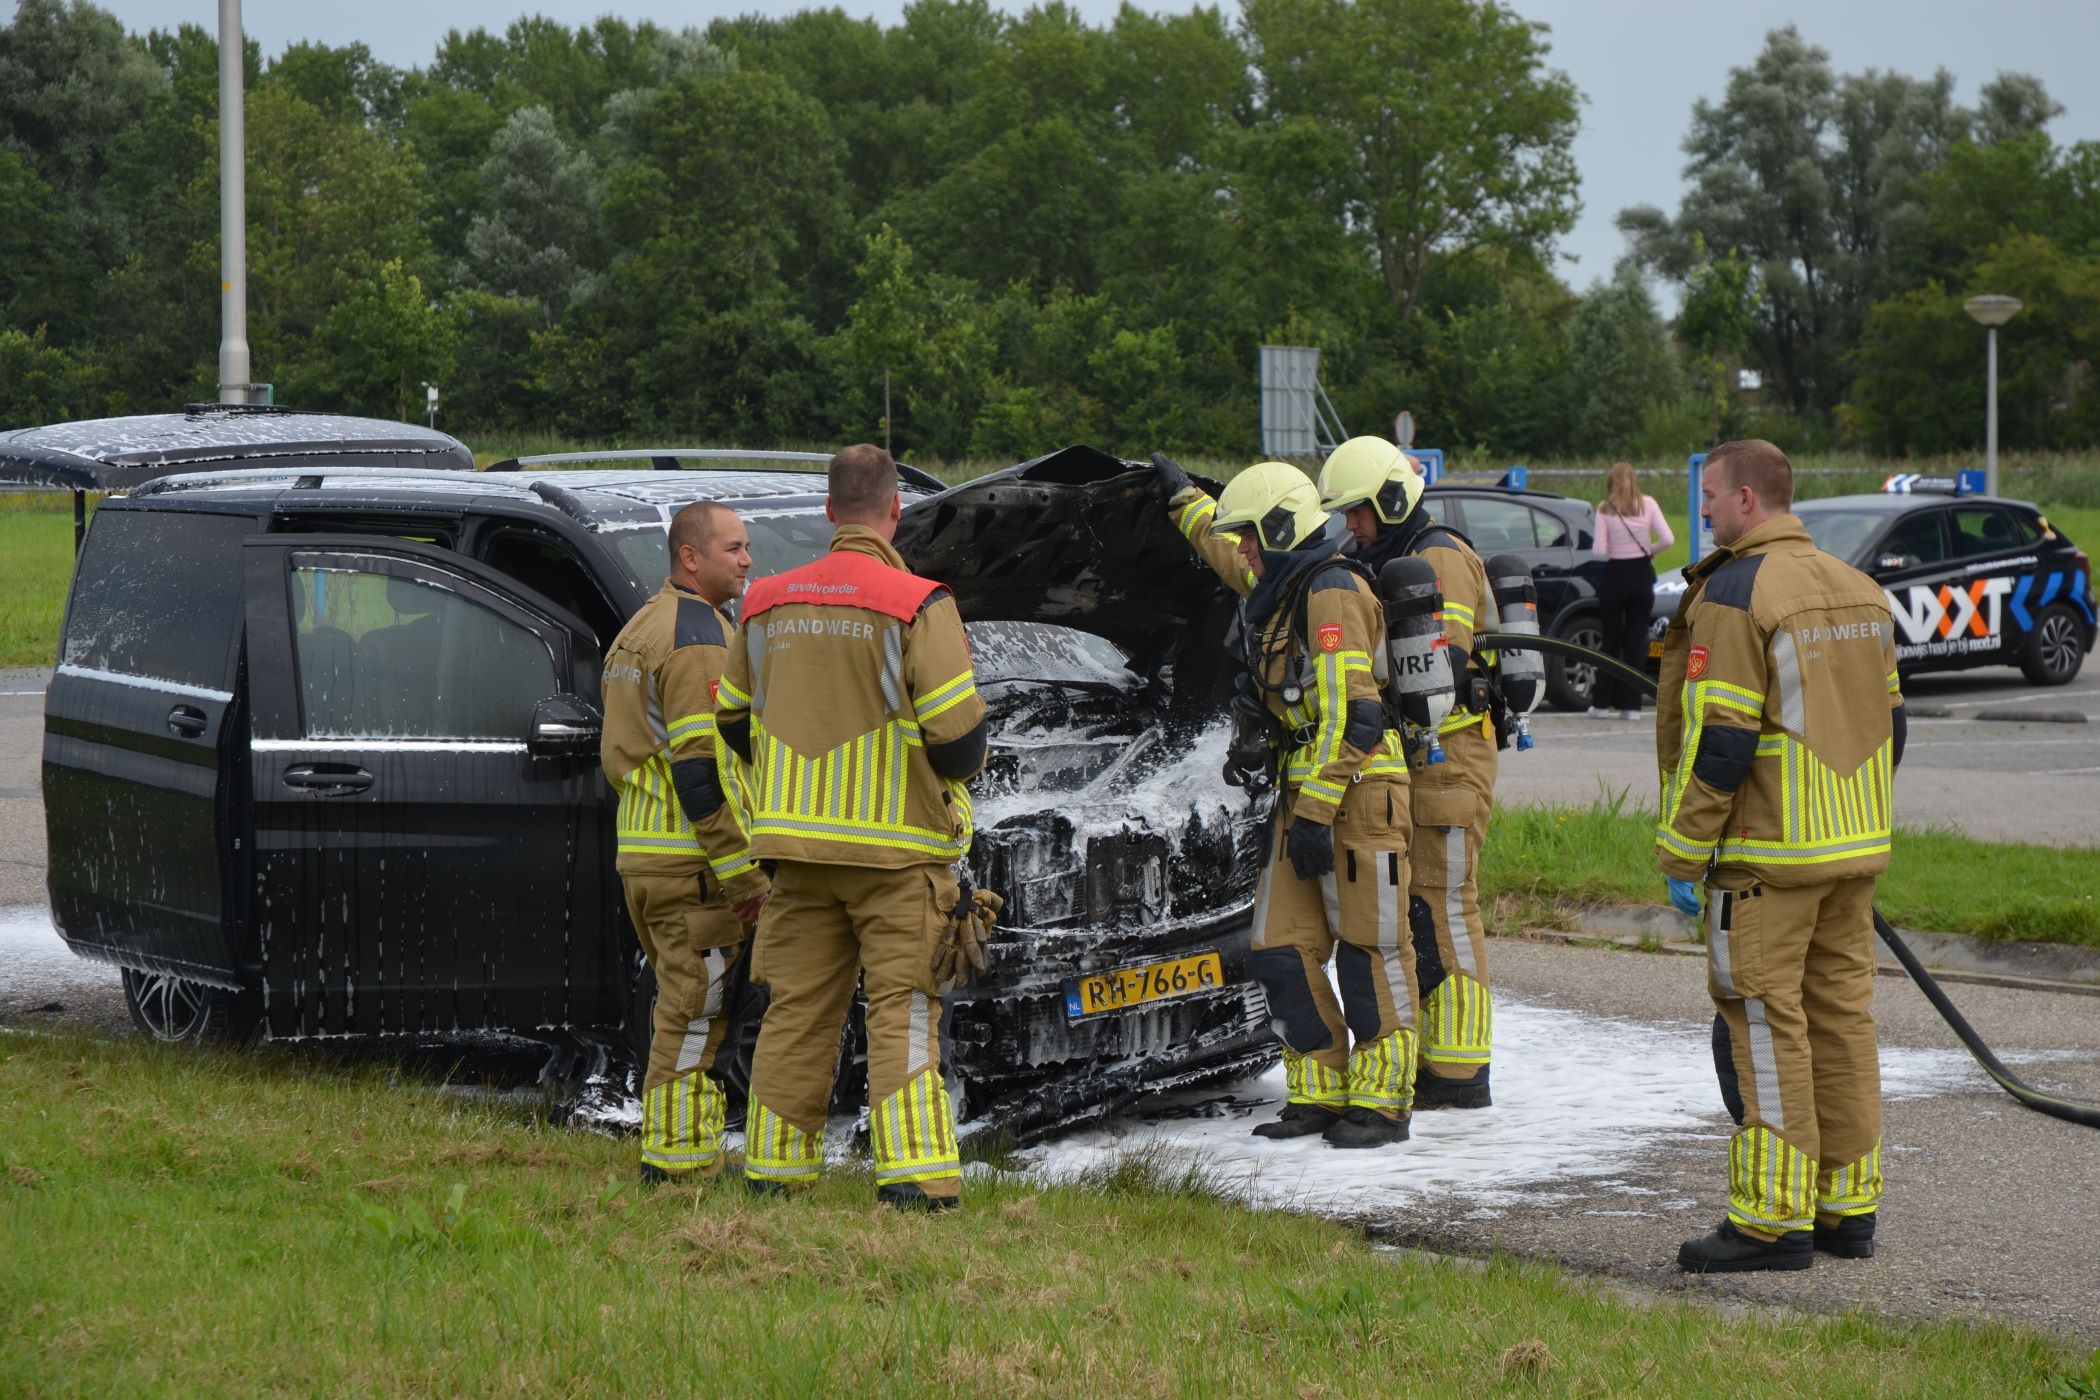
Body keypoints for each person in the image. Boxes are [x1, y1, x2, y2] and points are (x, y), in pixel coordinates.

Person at [718, 444, 991, 1210]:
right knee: (902, 1011)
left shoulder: (764, 601)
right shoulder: (918, 602)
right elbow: (959, 742)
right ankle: (912, 1181)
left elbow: (733, 723)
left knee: (796, 1013)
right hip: (898, 856)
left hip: (794, 855)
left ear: (830, 511)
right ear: (894, 509)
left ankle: (773, 1176)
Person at [1657, 439, 1906, 1273]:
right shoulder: (1859, 587)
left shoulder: (1736, 591)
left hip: (1764, 859)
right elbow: (1891, 725)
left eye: (1713, 494)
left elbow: (1722, 739)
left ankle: (1770, 1221)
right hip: (1853, 852)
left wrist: (1684, 852)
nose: (1704, 510)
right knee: (1843, 1023)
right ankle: (1847, 1210)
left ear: (1750, 502)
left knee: (1765, 1028)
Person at [1153, 452, 1417, 1148]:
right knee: (1279, 950)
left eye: (1250, 533)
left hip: (1358, 792)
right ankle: (1320, 1095)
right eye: (1238, 534)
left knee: (1368, 954)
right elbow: (1225, 553)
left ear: (1278, 528)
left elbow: (1352, 717)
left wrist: (1316, 812)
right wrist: (1184, 501)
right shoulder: (1276, 583)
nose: (1242, 547)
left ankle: (1383, 1105)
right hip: (1306, 792)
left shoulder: (1330, 591)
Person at [1315, 436, 1498, 1111]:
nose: (1353, 527)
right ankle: (1439, 1059)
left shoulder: (1439, 553)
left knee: (1445, 907)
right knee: (1422, 911)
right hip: (1422, 757)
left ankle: (1459, 1071)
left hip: (1450, 757)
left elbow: (1439, 668)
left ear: (1392, 499)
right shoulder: (1384, 555)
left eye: (1360, 513)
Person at [600, 500, 770, 1184]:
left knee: (681, 1005)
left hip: (646, 857)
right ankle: (675, 1166)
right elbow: (700, 771)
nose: (748, 559)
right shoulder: (697, 636)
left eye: (747, 546)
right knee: (695, 1014)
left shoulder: (641, 626)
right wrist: (743, 875)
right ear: (690, 557)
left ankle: (679, 1155)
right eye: (733, 547)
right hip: (691, 863)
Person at [1590, 461, 1675, 720]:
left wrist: (1618, 546)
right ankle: (1631, 707)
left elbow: (1599, 550)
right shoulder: (1648, 504)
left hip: (1615, 577)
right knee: (1636, 643)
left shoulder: (1606, 508)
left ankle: (1602, 704)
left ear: (1611, 481)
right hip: (1641, 577)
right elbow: (1668, 538)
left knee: (1611, 641)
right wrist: (1648, 550)